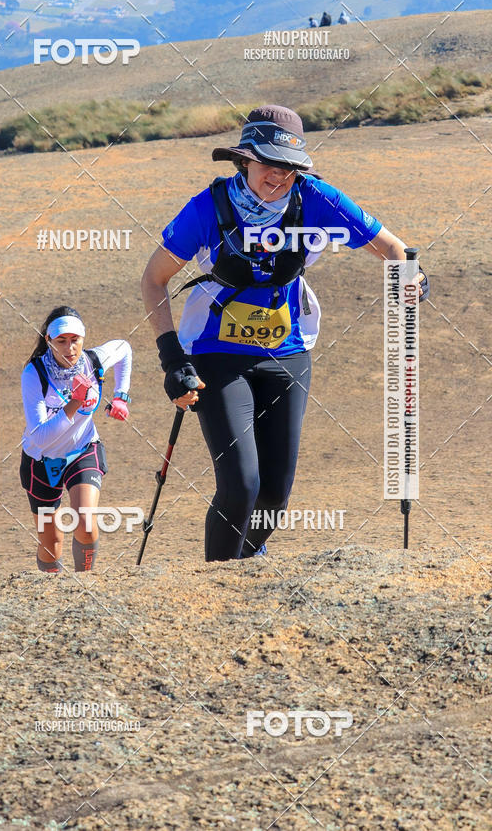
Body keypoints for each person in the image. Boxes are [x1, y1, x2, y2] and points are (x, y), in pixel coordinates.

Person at [141, 104, 429, 562]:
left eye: (289, 169)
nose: (277, 178)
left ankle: (244, 565)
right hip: (217, 351)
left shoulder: (317, 199)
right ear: (244, 160)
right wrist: (172, 358)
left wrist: (411, 277)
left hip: (287, 353)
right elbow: (153, 279)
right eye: (268, 165)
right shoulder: (208, 207)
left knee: (273, 498)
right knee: (241, 483)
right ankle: (217, 585)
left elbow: (392, 248)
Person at [20, 306, 132, 574]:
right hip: (41, 460)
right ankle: (53, 593)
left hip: (83, 450)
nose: (70, 348)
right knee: (51, 542)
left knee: (87, 522)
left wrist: (121, 395)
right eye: (61, 341)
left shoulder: (93, 361)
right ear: (49, 341)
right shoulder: (34, 374)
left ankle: (85, 583)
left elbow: (124, 348)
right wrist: (74, 403)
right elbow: (41, 438)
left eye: (75, 340)